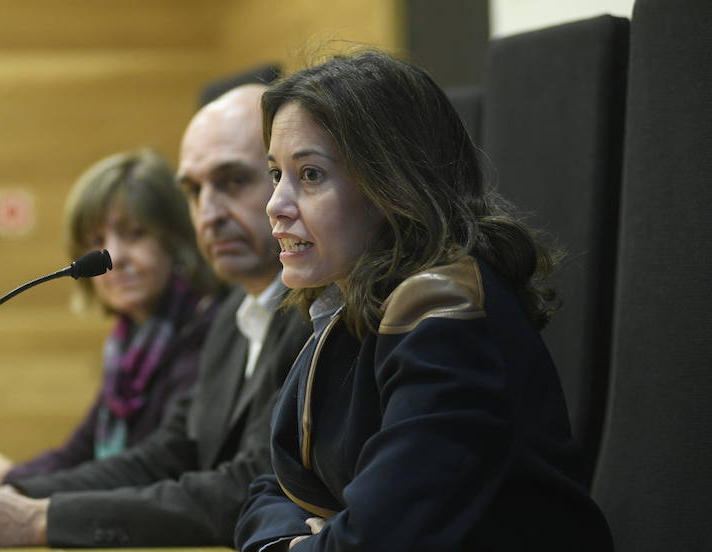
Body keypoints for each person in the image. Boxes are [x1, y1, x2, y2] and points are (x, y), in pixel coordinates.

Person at [0, 84, 311, 549]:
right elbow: (164, 456)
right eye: (193, 190)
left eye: (232, 181)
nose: (208, 213)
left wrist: (34, 516)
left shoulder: (307, 317)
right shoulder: (235, 312)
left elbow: (246, 486)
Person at [234, 50, 614, 551]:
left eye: (310, 175)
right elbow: (271, 484)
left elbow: (378, 539)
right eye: (276, 173)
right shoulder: (344, 304)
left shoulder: (443, 311)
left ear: (390, 184)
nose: (275, 205)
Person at [0, 148, 222, 486]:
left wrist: (8, 478)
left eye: (135, 234)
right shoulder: (128, 348)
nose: (114, 256)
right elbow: (77, 454)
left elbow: (152, 466)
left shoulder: (207, 332)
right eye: (97, 241)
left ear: (175, 240)